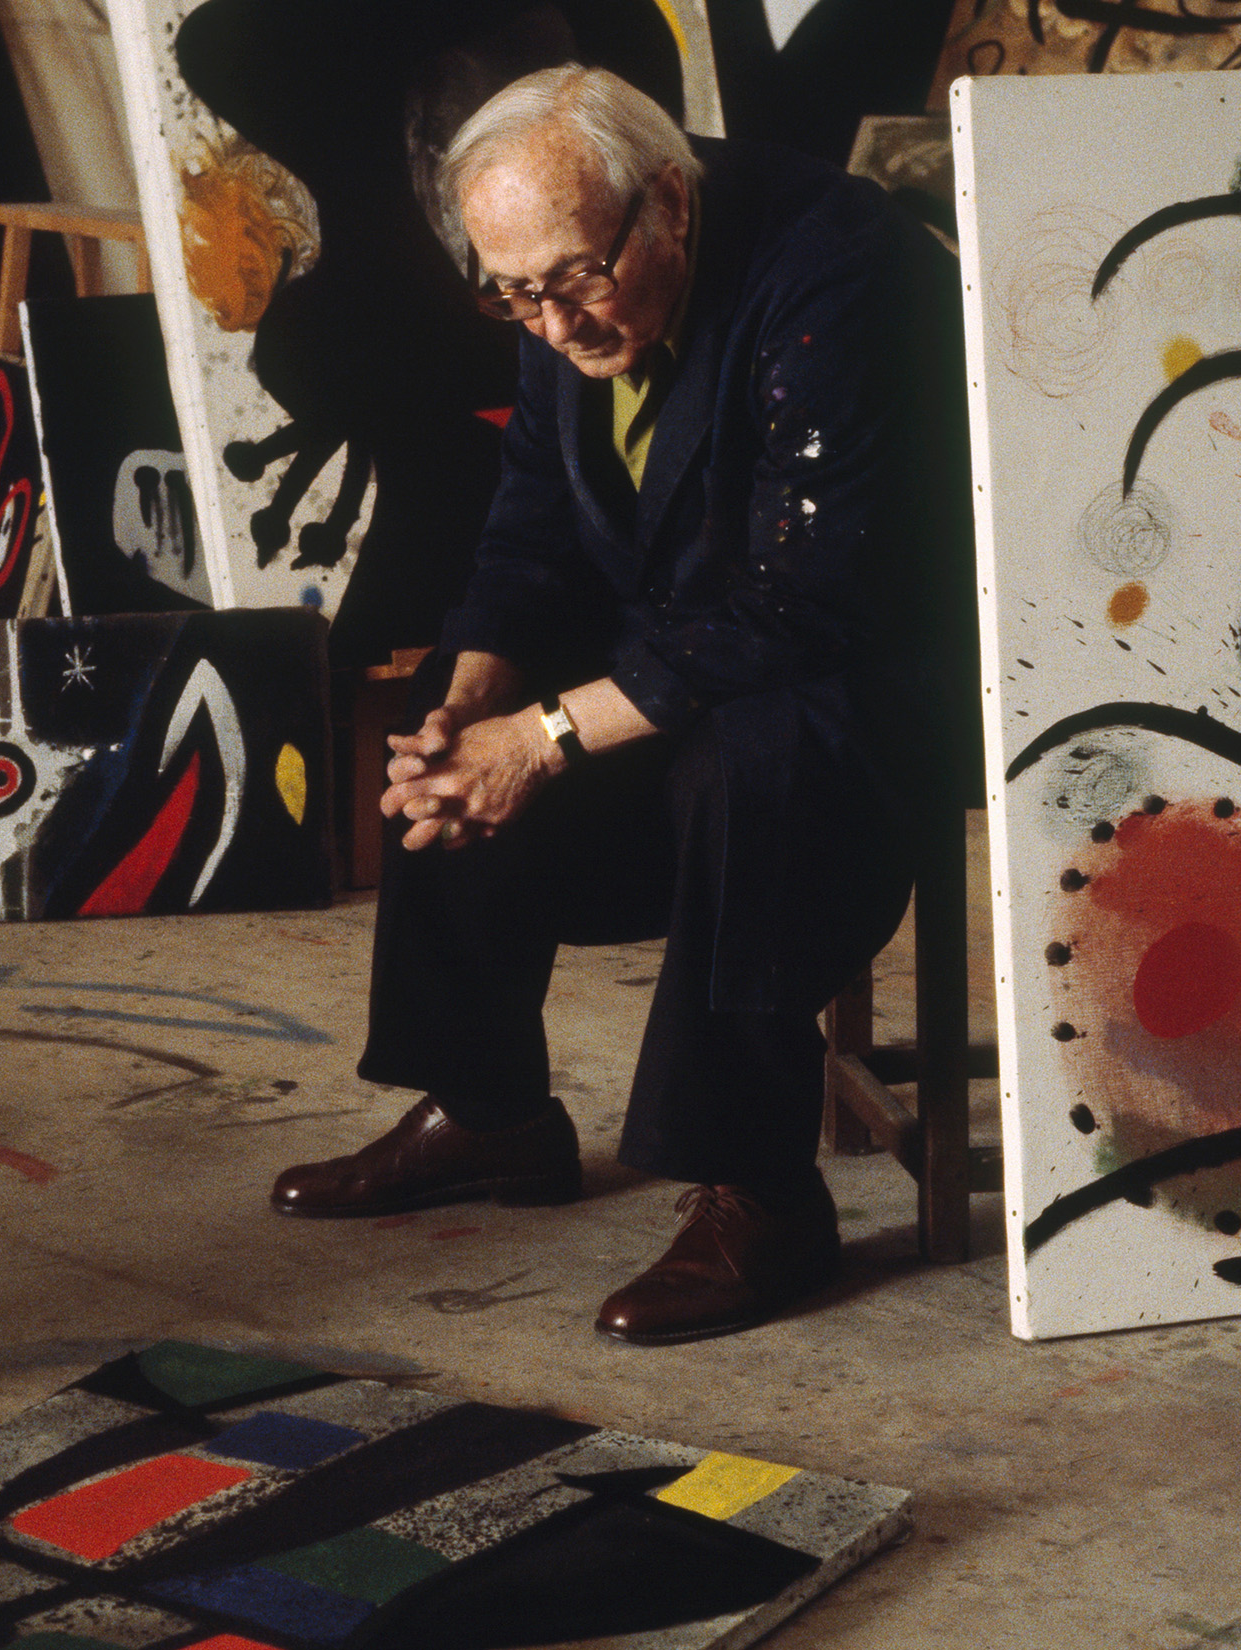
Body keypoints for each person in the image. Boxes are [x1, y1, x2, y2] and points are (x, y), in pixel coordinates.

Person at [270, 64, 964, 1344]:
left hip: (863, 676)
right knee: (447, 714)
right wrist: (476, 696)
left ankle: (762, 1191)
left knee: (744, 762)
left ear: (670, 207)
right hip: (694, 639)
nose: (551, 323)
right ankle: (490, 1111)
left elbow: (808, 602)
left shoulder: (838, 268)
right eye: (512, 292)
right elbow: (531, 519)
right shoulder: (565, 282)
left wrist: (542, 740)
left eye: (574, 280)